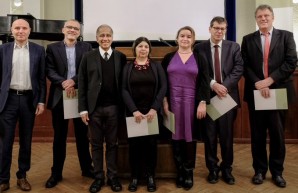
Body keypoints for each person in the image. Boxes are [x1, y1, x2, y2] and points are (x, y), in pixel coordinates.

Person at [241, 4, 297, 188]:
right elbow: (245, 64)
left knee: (277, 135)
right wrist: (259, 82)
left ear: (273, 18)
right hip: (256, 92)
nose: (263, 19)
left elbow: (291, 63)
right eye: (260, 16)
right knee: (257, 135)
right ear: (256, 19)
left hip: (279, 91)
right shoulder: (248, 39)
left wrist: (270, 80)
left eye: (266, 15)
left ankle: (277, 172)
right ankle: (259, 170)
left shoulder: (286, 36)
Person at [193, 16, 243, 185]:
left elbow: (238, 68)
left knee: (227, 137)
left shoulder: (234, 47)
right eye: (216, 28)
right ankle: (213, 169)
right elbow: (198, 72)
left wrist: (224, 86)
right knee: (210, 137)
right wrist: (213, 84)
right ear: (210, 29)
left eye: (223, 29)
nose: (219, 31)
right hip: (208, 97)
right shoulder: (199, 48)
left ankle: (227, 169)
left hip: (227, 97)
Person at [45, 19, 94, 188]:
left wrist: (72, 81)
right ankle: (56, 173)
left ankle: (87, 169)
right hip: (60, 97)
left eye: (76, 28)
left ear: (79, 33)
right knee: (59, 138)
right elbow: (49, 70)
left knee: (82, 137)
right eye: (70, 27)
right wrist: (63, 83)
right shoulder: (52, 48)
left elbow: (87, 70)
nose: (72, 30)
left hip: (80, 98)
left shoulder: (86, 48)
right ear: (63, 30)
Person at [78, 24, 127, 193]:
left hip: (114, 108)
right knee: (96, 145)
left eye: (108, 35)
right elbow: (82, 83)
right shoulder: (88, 56)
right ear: (97, 38)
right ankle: (98, 177)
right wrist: (83, 109)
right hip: (94, 110)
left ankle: (113, 177)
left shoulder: (120, 57)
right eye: (102, 36)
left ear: (112, 37)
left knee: (113, 144)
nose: (105, 38)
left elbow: (124, 85)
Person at [0, 19, 46, 192]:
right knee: (6, 142)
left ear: (30, 30)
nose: (20, 31)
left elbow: (41, 79)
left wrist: (41, 101)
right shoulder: (2, 50)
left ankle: (22, 177)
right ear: (11, 30)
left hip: (29, 101)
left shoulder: (39, 50)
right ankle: (3, 179)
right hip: (8, 100)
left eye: (24, 28)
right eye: (17, 28)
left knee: (26, 141)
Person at [161, 26, 210, 190]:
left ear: (193, 40)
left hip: (192, 104)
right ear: (177, 38)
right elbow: (163, 83)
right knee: (175, 138)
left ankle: (189, 172)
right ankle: (179, 171)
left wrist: (203, 102)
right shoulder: (168, 58)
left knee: (189, 138)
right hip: (173, 103)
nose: (185, 39)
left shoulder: (200, 57)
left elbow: (204, 81)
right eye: (182, 36)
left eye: (189, 36)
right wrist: (165, 101)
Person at [122, 37, 167, 192]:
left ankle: (150, 177)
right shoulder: (127, 67)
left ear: (149, 50)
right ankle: (134, 177)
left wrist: (154, 108)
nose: (143, 49)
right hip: (134, 114)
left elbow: (163, 87)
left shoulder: (156, 66)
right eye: (140, 46)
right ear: (135, 49)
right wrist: (134, 110)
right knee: (134, 146)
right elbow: (124, 90)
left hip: (151, 115)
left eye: (146, 47)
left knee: (151, 146)